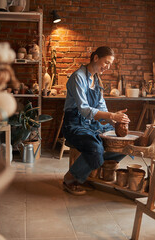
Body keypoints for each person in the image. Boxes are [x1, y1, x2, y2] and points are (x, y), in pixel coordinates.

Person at [62, 46, 130, 195]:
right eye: (106, 62)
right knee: (95, 148)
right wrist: (112, 116)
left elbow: (101, 107)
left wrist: (117, 122)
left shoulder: (97, 80)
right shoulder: (78, 77)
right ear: (96, 58)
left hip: (91, 124)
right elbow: (85, 110)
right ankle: (70, 178)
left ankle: (90, 169)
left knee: (124, 144)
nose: (107, 67)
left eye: (110, 64)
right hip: (74, 124)